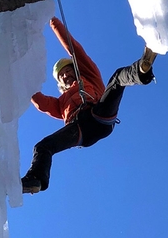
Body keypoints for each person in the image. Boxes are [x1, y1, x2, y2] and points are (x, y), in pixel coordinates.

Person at [21, 16, 158, 194]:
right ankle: (35, 180)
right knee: (42, 147)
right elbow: (39, 101)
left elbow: (74, 49)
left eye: (68, 69)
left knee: (117, 79)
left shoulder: (90, 78)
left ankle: (141, 69)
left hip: (97, 113)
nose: (65, 75)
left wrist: (51, 20)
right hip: (79, 129)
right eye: (61, 74)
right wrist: (20, 77)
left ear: (76, 69)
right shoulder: (60, 104)